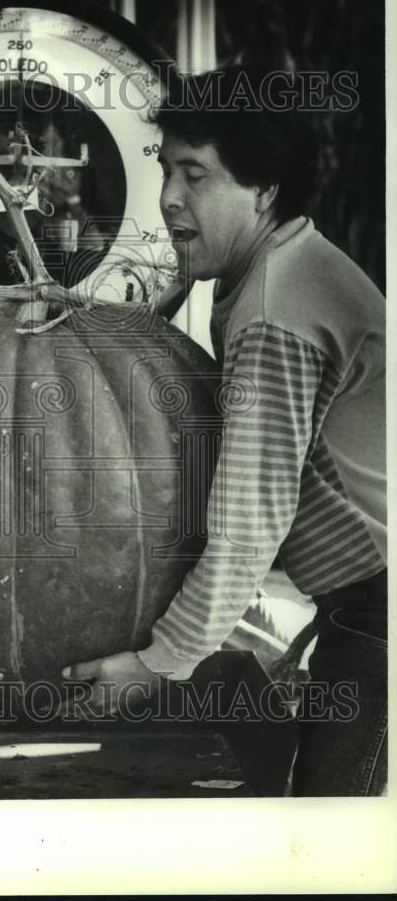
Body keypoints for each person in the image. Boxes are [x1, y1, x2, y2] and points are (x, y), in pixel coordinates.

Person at [62, 66, 387, 796]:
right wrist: (77, 311)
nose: (170, 198)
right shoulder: (283, 259)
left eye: (195, 175)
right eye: (165, 170)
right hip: (359, 604)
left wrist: (157, 664)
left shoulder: (273, 312)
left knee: (336, 828)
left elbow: (248, 522)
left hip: (380, 613)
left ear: (263, 191)